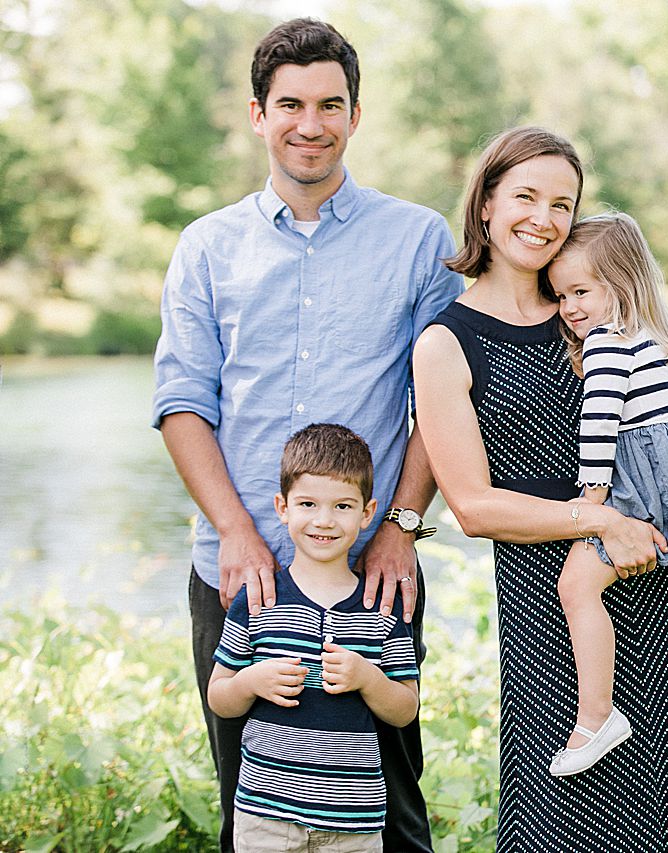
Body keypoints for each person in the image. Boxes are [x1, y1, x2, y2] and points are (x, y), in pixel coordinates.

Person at [152, 18, 462, 852]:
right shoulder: (207, 247)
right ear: (258, 114)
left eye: (330, 104)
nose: (311, 124)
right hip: (237, 571)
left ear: (355, 115)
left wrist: (398, 526)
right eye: (290, 104)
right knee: (248, 797)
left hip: (372, 575)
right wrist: (237, 531)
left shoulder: (419, 240)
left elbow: (440, 403)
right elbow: (184, 401)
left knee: (392, 805)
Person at [412, 126, 668, 851]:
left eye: (563, 202)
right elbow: (472, 505)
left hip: (643, 575)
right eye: (525, 196)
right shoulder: (445, 342)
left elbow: (665, 413)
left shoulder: (589, 315)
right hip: (547, 593)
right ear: (486, 205)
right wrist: (597, 519)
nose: (544, 218)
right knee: (566, 816)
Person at [544, 212, 668, 777]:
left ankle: (596, 717)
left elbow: (599, 422)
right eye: (560, 296)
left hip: (640, 483)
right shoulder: (654, 340)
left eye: (582, 290)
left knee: (576, 586)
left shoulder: (606, 345)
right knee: (587, 587)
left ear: (622, 283)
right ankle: (600, 716)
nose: (570, 307)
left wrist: (594, 502)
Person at [209, 424, 419, 852]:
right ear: (282, 507)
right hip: (265, 819)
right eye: (308, 504)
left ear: (367, 513)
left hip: (353, 824)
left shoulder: (382, 607)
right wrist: (250, 682)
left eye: (342, 506)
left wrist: (369, 679)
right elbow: (219, 695)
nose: (324, 520)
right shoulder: (258, 601)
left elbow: (405, 710)